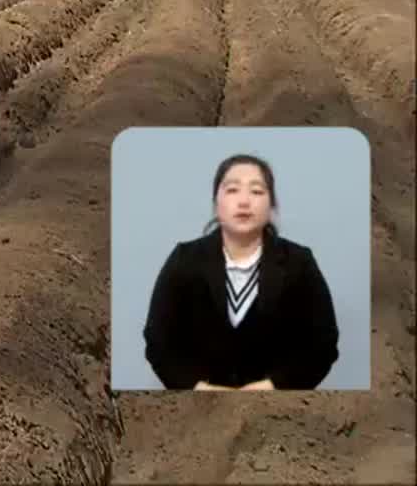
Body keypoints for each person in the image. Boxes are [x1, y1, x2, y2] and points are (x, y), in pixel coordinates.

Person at [142, 153, 339, 391]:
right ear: (216, 203)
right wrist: (198, 388)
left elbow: (323, 345)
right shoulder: (185, 260)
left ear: (272, 205)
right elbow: (158, 341)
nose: (244, 201)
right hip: (197, 406)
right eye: (233, 190)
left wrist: (272, 387)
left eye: (257, 191)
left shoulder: (299, 263)